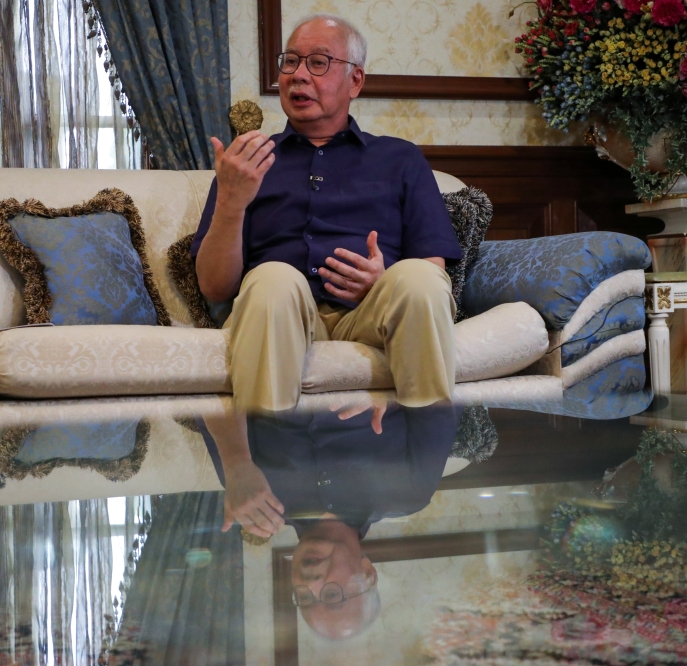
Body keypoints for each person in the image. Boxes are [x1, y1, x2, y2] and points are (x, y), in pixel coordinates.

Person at [190, 13, 462, 413]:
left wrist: (381, 280)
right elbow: (214, 287)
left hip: (372, 313)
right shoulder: (246, 164)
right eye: (290, 61)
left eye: (318, 63)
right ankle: (270, 464)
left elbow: (432, 266)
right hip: (279, 312)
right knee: (272, 279)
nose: (298, 75)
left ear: (355, 80)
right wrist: (232, 201)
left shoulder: (400, 159)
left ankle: (423, 460)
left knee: (420, 279)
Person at [199, 402, 461, 639]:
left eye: (304, 597)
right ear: (368, 574)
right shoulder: (409, 491)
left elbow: (212, 392)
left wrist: (236, 463)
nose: (309, 583)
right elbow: (441, 394)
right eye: (332, 595)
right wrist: (384, 390)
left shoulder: (252, 493)